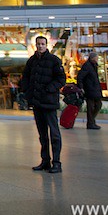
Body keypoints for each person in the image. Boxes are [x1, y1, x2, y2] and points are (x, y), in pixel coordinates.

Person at [21, 35, 66, 174]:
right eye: (38, 44)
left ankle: (57, 162)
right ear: (35, 45)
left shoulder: (54, 60)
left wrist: (49, 89)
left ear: (47, 45)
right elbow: (26, 78)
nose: (40, 46)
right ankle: (45, 160)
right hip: (37, 103)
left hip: (49, 103)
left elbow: (61, 79)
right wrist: (28, 93)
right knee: (42, 134)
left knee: (54, 134)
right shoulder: (32, 61)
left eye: (42, 44)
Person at [76, 51, 102, 130]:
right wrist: (81, 87)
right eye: (96, 58)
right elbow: (80, 77)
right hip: (90, 90)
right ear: (93, 58)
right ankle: (91, 123)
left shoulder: (93, 66)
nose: (97, 59)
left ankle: (91, 121)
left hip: (94, 89)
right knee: (91, 107)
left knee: (98, 105)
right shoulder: (87, 66)